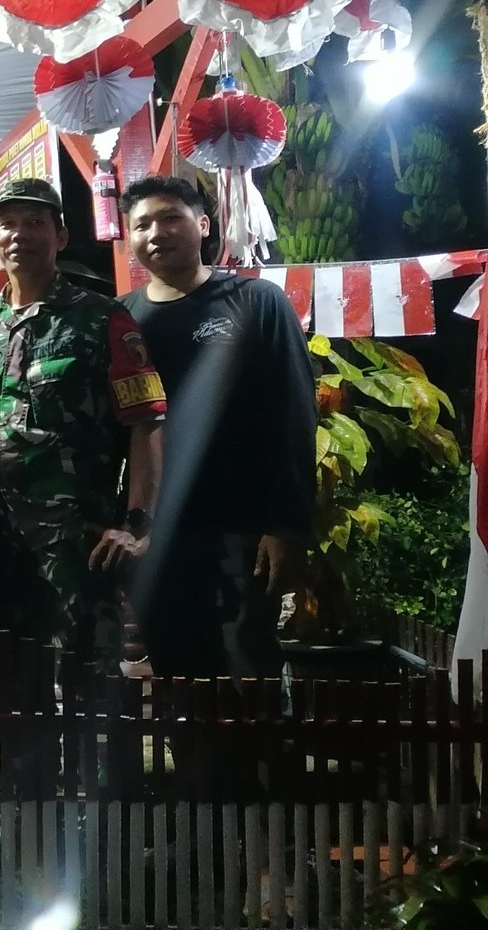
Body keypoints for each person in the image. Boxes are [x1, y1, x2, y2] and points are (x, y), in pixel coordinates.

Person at [0, 178, 164, 671]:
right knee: (4, 681)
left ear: (61, 236)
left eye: (35, 222)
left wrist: (137, 523)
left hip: (75, 540)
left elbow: (147, 423)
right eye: (8, 224)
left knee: (89, 687)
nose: (20, 234)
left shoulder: (103, 319)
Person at [120, 175, 314, 681]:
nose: (156, 232)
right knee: (176, 672)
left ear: (203, 225)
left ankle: (263, 737)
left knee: (248, 668)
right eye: (142, 224)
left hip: (243, 528)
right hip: (157, 534)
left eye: (170, 217)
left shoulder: (258, 302)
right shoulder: (120, 320)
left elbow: (295, 414)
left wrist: (288, 526)